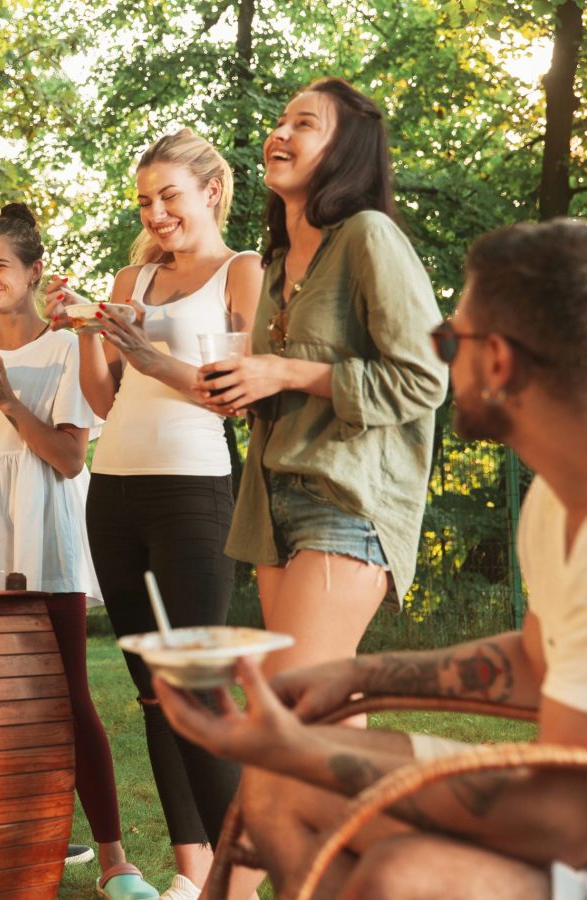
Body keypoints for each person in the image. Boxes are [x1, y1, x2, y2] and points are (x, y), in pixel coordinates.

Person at [154, 218, 587, 899]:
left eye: (448, 339)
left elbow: (569, 817)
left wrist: (299, 746)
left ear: (498, 361)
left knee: (404, 873)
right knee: (278, 791)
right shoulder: (554, 505)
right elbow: (538, 661)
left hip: (571, 821)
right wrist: (355, 675)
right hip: (561, 800)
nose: (436, 356)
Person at [0, 202, 159, 900]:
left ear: (34, 271)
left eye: (0, 267)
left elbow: (70, 460)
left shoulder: (66, 347)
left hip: (39, 532)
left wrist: (13, 401)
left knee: (68, 696)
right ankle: (2, 846)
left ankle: (114, 860)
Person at [45, 129, 263, 900]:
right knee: (150, 690)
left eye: (170, 194)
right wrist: (87, 335)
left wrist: (143, 352)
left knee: (196, 685)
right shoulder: (131, 275)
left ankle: (245, 868)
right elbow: (104, 401)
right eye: (145, 199)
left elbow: (232, 393)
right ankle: (194, 871)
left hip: (193, 488)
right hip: (115, 489)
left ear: (211, 190)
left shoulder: (243, 271)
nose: (157, 211)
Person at [197, 78, 447, 681]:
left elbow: (425, 377)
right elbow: (289, 383)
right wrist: (245, 392)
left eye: (304, 124)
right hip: (271, 502)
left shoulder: (368, 235)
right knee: (314, 709)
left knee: (291, 700)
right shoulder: (277, 262)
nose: (278, 132)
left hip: (347, 497)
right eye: (280, 121)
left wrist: (282, 369)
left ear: (345, 151)